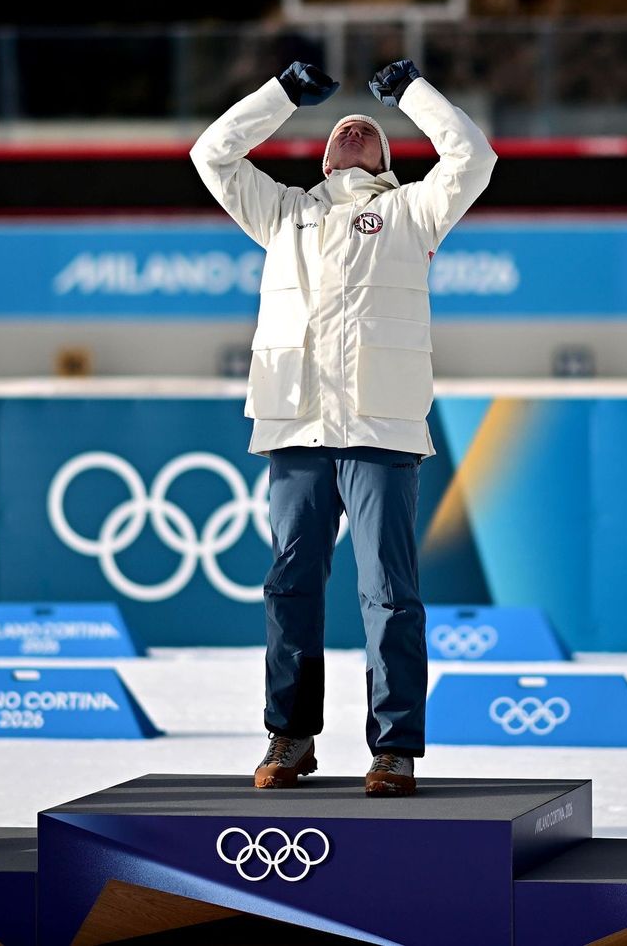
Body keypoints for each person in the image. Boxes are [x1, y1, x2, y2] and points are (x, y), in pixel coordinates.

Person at [191, 59, 496, 796]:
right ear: (322, 157)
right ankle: (290, 737)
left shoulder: (411, 213)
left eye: (367, 129)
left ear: (386, 161)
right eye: (339, 131)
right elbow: (213, 154)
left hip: (381, 426)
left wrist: (414, 93)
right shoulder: (284, 212)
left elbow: (473, 157)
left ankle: (393, 748)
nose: (352, 129)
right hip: (296, 423)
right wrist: (283, 95)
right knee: (289, 584)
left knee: (388, 590)